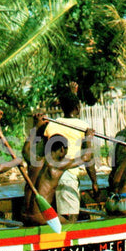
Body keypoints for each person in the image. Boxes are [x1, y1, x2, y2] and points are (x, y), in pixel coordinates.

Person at [44, 89, 99, 221]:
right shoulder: (82, 126)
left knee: (62, 215)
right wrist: (94, 182)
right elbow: (88, 158)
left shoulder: (52, 124)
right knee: (70, 220)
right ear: (77, 108)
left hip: (50, 175)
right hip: (67, 175)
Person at [23, 129, 94, 226]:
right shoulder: (59, 164)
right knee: (70, 223)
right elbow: (86, 157)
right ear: (62, 149)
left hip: (23, 216)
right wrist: (88, 138)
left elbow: (26, 149)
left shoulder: (34, 161)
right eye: (66, 150)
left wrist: (36, 127)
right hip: (39, 218)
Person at [22, 112, 48, 214]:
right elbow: (26, 151)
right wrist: (36, 127)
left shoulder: (49, 157)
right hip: (33, 201)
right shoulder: (36, 160)